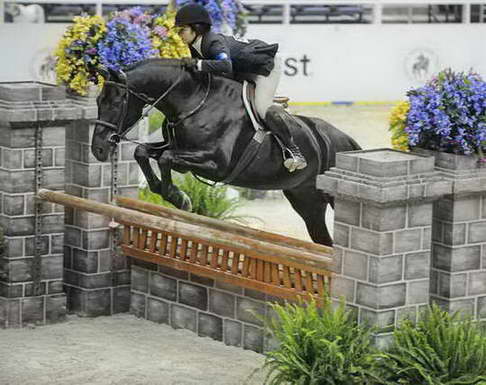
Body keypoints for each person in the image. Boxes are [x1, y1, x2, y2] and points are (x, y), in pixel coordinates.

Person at [174, 3, 307, 172]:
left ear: (196, 28)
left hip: (264, 69)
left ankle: (294, 151)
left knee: (261, 107)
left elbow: (225, 65)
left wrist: (197, 64)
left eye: (182, 30)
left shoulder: (212, 41)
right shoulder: (195, 44)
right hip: (243, 70)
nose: (179, 35)